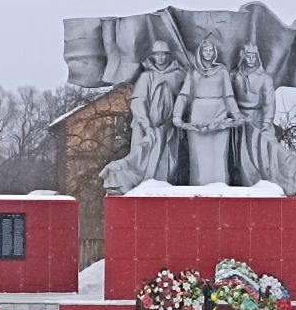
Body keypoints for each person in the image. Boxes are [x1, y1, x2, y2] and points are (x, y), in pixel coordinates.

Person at [100, 41, 185, 194]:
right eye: (157, 54)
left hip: (169, 128)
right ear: (153, 56)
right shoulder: (146, 77)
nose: (160, 58)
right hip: (145, 127)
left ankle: (161, 192)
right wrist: (147, 127)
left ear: (168, 56)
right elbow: (138, 103)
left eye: (163, 54)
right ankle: (125, 181)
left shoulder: (178, 75)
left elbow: (184, 99)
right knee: (141, 160)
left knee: (168, 165)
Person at [232, 43, 296, 195]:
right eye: (248, 55)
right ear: (243, 57)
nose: (250, 59)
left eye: (253, 56)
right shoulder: (235, 76)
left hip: (258, 120)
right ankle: (250, 184)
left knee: (271, 150)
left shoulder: (264, 79)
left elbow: (269, 104)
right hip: (240, 123)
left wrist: (265, 124)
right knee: (245, 159)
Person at [172, 40, 245, 185]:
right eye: (205, 50)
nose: (208, 54)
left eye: (211, 50)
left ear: (215, 53)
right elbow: (184, 95)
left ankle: (220, 189)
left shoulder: (222, 71)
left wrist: (237, 115)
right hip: (198, 115)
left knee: (219, 156)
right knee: (199, 157)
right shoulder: (193, 72)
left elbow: (228, 96)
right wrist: (177, 116)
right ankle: (199, 190)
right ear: (200, 52)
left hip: (219, 113)